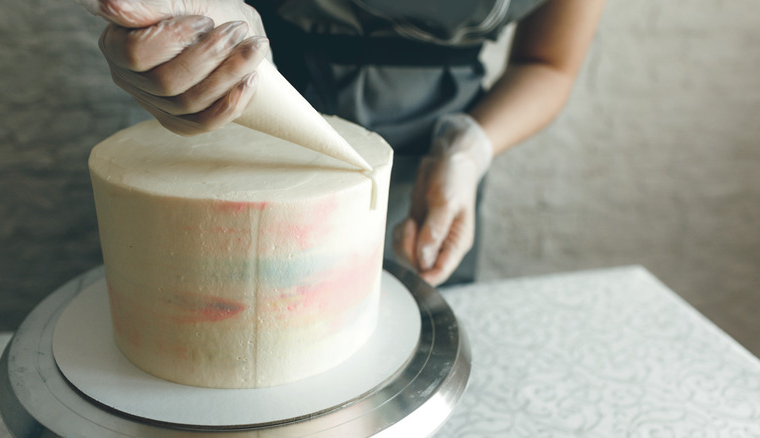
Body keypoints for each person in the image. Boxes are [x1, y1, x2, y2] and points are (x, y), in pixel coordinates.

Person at [85, 0, 604, 286]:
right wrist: (181, 25)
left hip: (432, 169)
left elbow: (548, 64)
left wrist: (467, 149)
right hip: (249, 117)